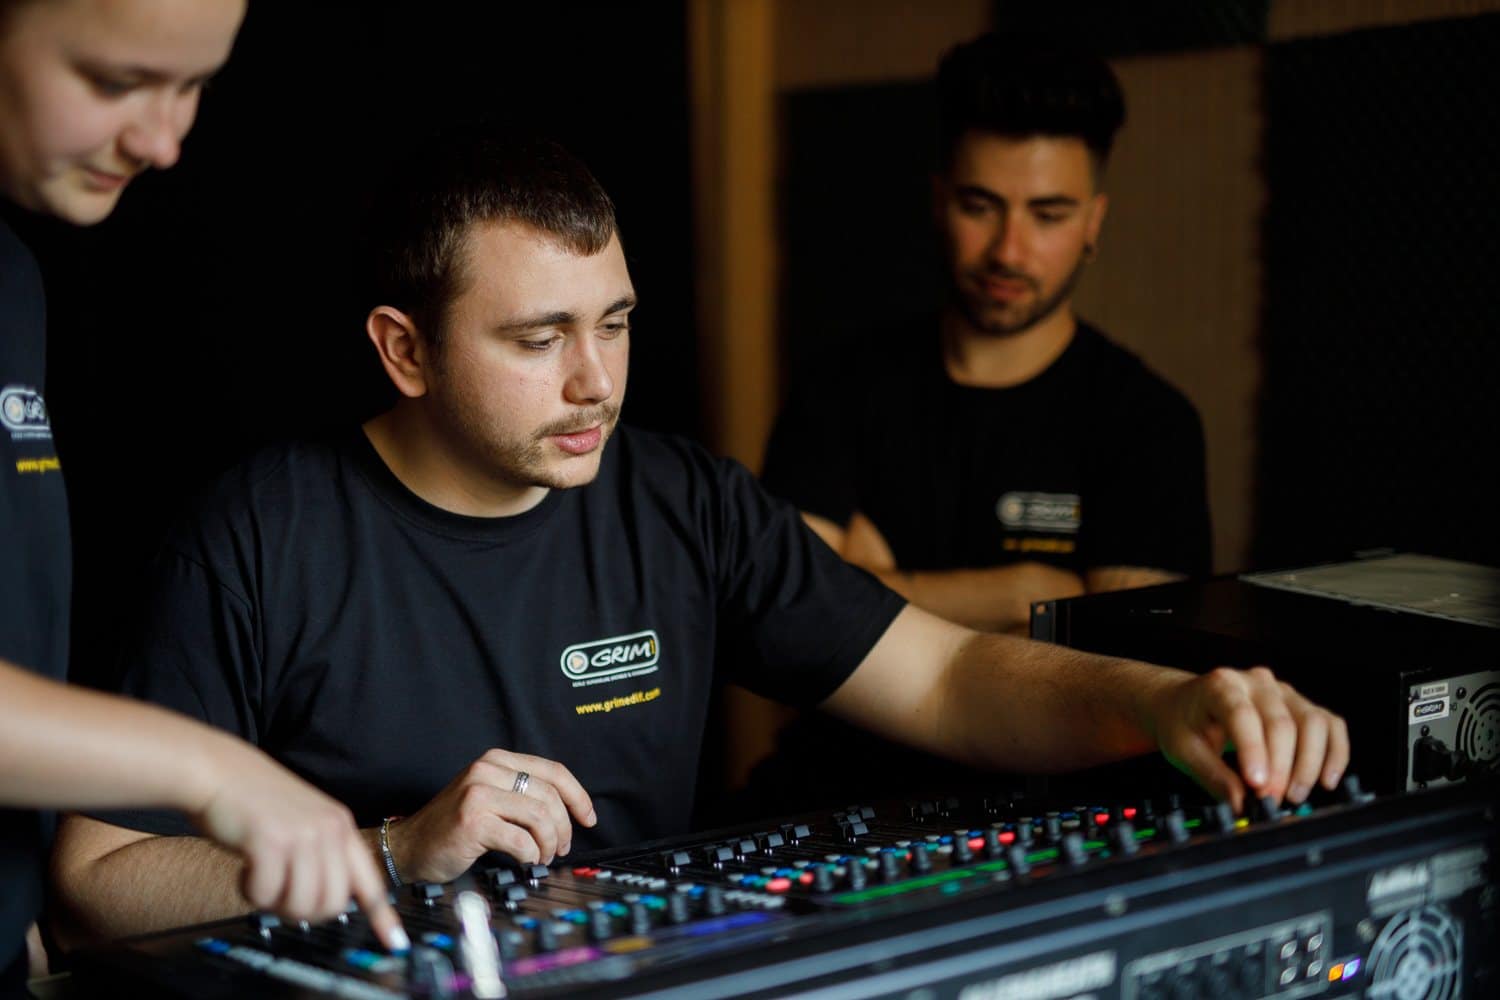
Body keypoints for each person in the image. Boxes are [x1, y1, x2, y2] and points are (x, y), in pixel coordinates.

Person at [51, 131, 1348, 945]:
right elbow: (101, 878)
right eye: (537, 338)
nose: (595, 382)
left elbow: (948, 676)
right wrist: (389, 853)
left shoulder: (680, 498)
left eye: (612, 324)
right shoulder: (259, 533)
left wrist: (1166, 702)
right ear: (404, 350)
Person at [0, 0, 406, 985]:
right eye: (114, 81)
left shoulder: (13, 280)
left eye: (192, 87)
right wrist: (216, 769)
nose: (163, 141)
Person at [749, 33, 1212, 807]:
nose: (1009, 249)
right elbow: (784, 628)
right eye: (980, 205)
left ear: (1094, 222)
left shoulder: (1149, 423)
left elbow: (1126, 666)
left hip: (1055, 803)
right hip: (834, 792)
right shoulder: (840, 388)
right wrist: (1033, 590)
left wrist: (874, 586)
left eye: (1049, 213)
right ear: (939, 199)